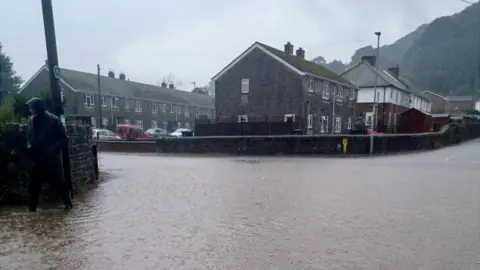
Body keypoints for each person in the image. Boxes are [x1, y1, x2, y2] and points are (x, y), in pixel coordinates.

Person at [26, 97, 73, 212]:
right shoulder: (31, 120)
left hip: (51, 159)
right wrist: (29, 145)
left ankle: (68, 205)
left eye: (31, 107)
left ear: (38, 108)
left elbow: (64, 139)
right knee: (33, 187)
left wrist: (53, 151)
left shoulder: (53, 120)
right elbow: (29, 136)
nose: (30, 109)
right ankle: (32, 212)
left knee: (60, 183)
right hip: (37, 159)